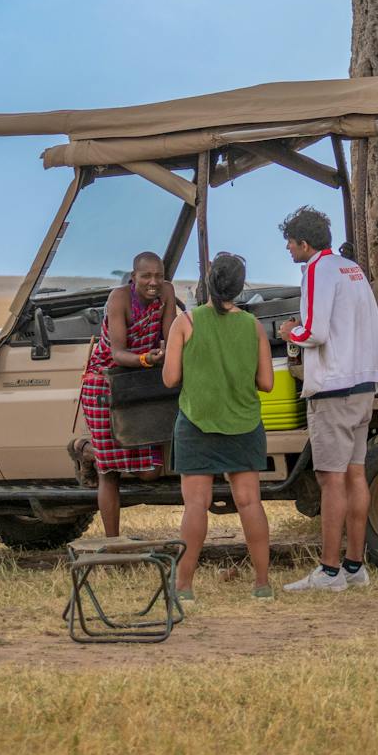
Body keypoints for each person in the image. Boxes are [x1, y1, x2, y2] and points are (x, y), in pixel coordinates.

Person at [275, 206, 378, 592]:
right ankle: (355, 565)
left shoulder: (316, 269)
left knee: (330, 479)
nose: (290, 251)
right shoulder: (351, 268)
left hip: (333, 387)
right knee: (355, 473)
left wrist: (288, 331)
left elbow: (314, 331)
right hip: (363, 383)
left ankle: (328, 572)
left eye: (291, 244)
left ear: (304, 243)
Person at [163, 251, 276, 601]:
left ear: (207, 284)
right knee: (249, 502)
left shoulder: (185, 323)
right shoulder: (253, 327)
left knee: (195, 505)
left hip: (197, 423)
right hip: (244, 425)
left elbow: (170, 379)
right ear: (240, 288)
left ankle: (183, 587)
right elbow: (267, 382)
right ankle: (262, 584)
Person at [78, 251, 186, 537]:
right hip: (106, 382)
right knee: (110, 473)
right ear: (133, 276)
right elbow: (117, 353)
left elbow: (170, 333)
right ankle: (113, 541)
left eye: (158, 276)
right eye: (146, 276)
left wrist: (167, 353)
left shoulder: (167, 294)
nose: (153, 282)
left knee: (150, 470)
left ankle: (90, 452)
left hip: (139, 381)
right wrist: (147, 359)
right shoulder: (119, 299)